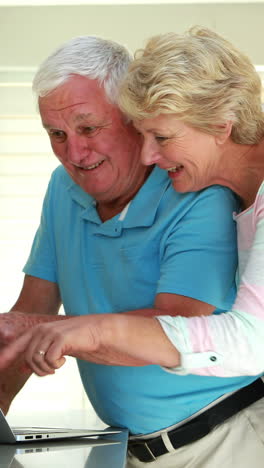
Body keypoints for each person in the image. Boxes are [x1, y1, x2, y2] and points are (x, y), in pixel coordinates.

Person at [0, 34, 260, 468]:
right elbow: (27, 315)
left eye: (88, 128)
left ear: (129, 118)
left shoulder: (200, 190)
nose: (75, 153)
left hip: (221, 441)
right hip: (122, 448)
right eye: (57, 134)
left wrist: (57, 330)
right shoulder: (62, 189)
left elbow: (185, 324)